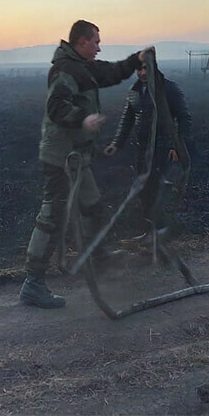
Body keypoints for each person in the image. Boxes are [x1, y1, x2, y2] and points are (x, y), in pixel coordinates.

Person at [19, 20, 153, 309]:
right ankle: (32, 283)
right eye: (95, 42)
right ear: (81, 42)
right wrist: (83, 118)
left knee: (92, 205)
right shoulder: (66, 71)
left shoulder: (82, 67)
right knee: (52, 216)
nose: (99, 47)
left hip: (77, 158)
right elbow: (56, 106)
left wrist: (135, 60)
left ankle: (100, 257)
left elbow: (111, 72)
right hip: (60, 159)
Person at [104, 62, 191, 233]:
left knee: (160, 189)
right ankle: (150, 231)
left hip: (163, 148)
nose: (142, 73)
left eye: (146, 68)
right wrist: (117, 143)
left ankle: (163, 230)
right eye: (139, 69)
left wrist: (177, 146)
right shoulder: (134, 91)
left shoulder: (169, 89)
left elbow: (184, 118)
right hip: (142, 150)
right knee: (144, 190)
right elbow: (127, 119)